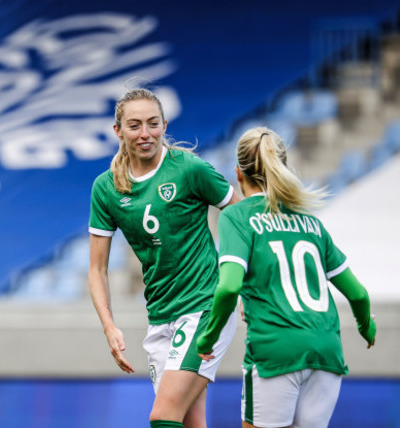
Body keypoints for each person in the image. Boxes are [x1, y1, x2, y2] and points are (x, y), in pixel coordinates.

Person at [196, 126, 376, 428]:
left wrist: (208, 336)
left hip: (275, 350)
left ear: (239, 174)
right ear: (282, 167)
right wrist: (365, 325)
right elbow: (358, 294)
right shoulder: (311, 222)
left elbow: (228, 287)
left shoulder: (236, 217)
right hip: (327, 351)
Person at [88, 88, 242, 428]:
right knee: (191, 422)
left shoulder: (188, 169)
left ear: (164, 124)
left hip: (205, 307)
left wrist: (240, 282)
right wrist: (109, 326)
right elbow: (97, 269)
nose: (145, 134)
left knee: (162, 416)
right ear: (118, 131)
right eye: (135, 125)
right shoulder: (106, 188)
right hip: (160, 316)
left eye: (153, 124)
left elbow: (242, 217)